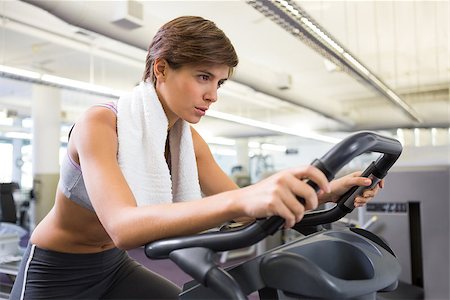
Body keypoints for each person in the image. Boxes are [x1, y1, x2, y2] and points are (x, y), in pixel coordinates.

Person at [10, 16, 383, 299]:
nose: (213, 95)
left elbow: (242, 209)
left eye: (219, 82)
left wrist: (325, 193)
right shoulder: (100, 124)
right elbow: (123, 227)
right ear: (160, 69)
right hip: (55, 269)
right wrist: (243, 197)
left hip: (113, 266)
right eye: (203, 77)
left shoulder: (187, 140)